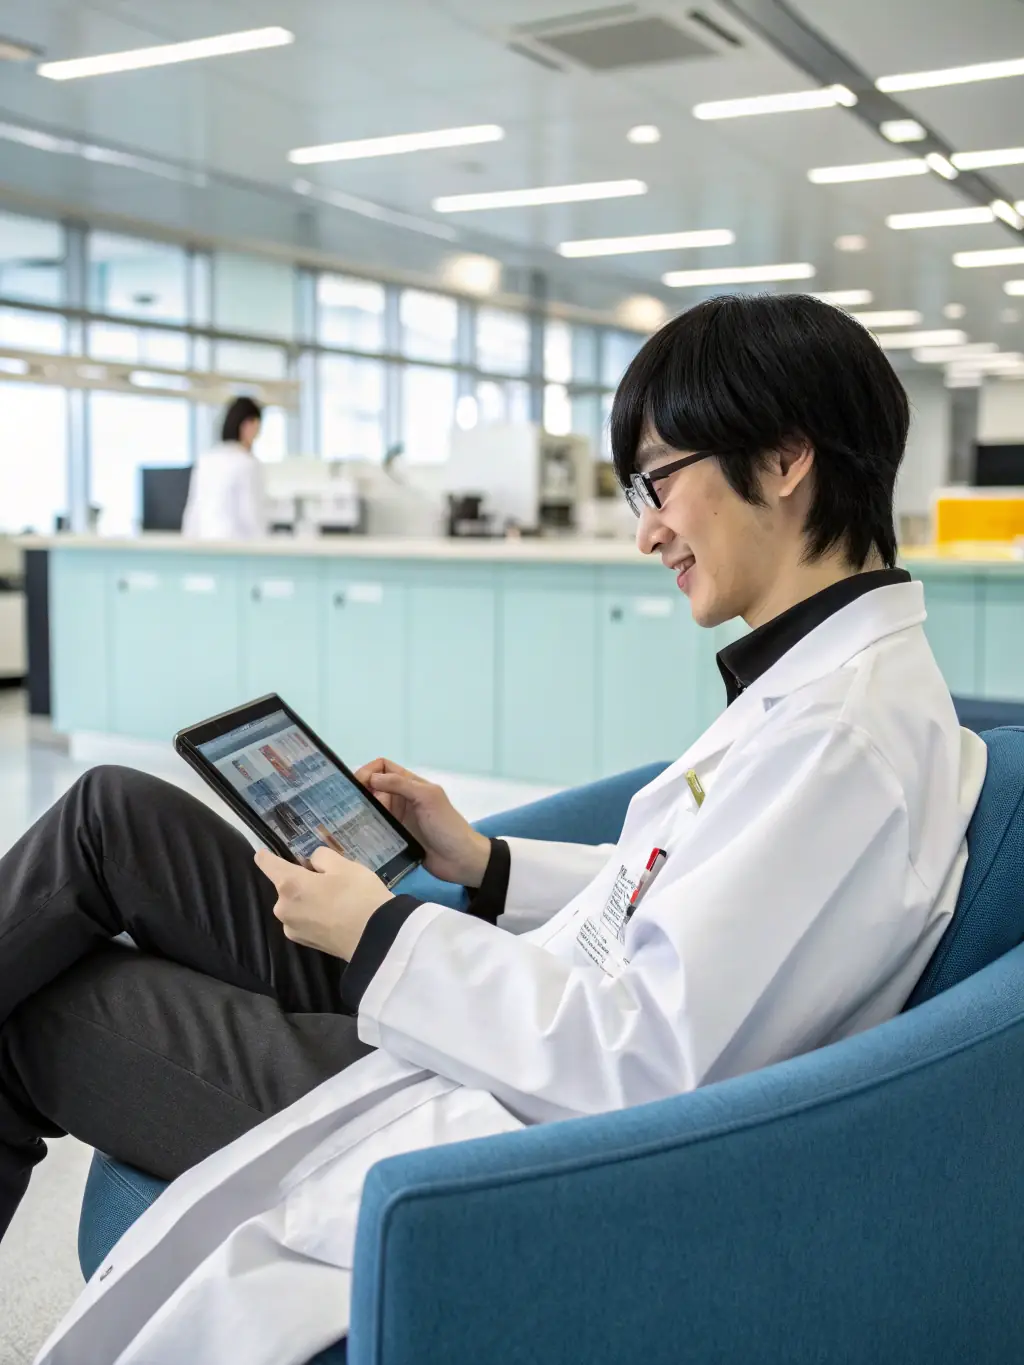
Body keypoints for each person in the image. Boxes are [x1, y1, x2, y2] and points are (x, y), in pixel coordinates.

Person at [3, 294, 987, 1363]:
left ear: (787, 456)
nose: (649, 526)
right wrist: (482, 861)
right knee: (113, 812)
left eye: (660, 479)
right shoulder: (824, 691)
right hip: (490, 1005)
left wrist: (379, 932)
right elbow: (679, 898)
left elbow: (640, 1065)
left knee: (35, 1016)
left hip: (490, 1093)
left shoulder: (839, 743)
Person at [181, 395, 268, 540]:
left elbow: (193, 511)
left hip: (206, 547)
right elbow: (252, 516)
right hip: (238, 549)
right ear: (248, 425)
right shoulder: (247, 464)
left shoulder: (206, 460)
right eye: (257, 428)